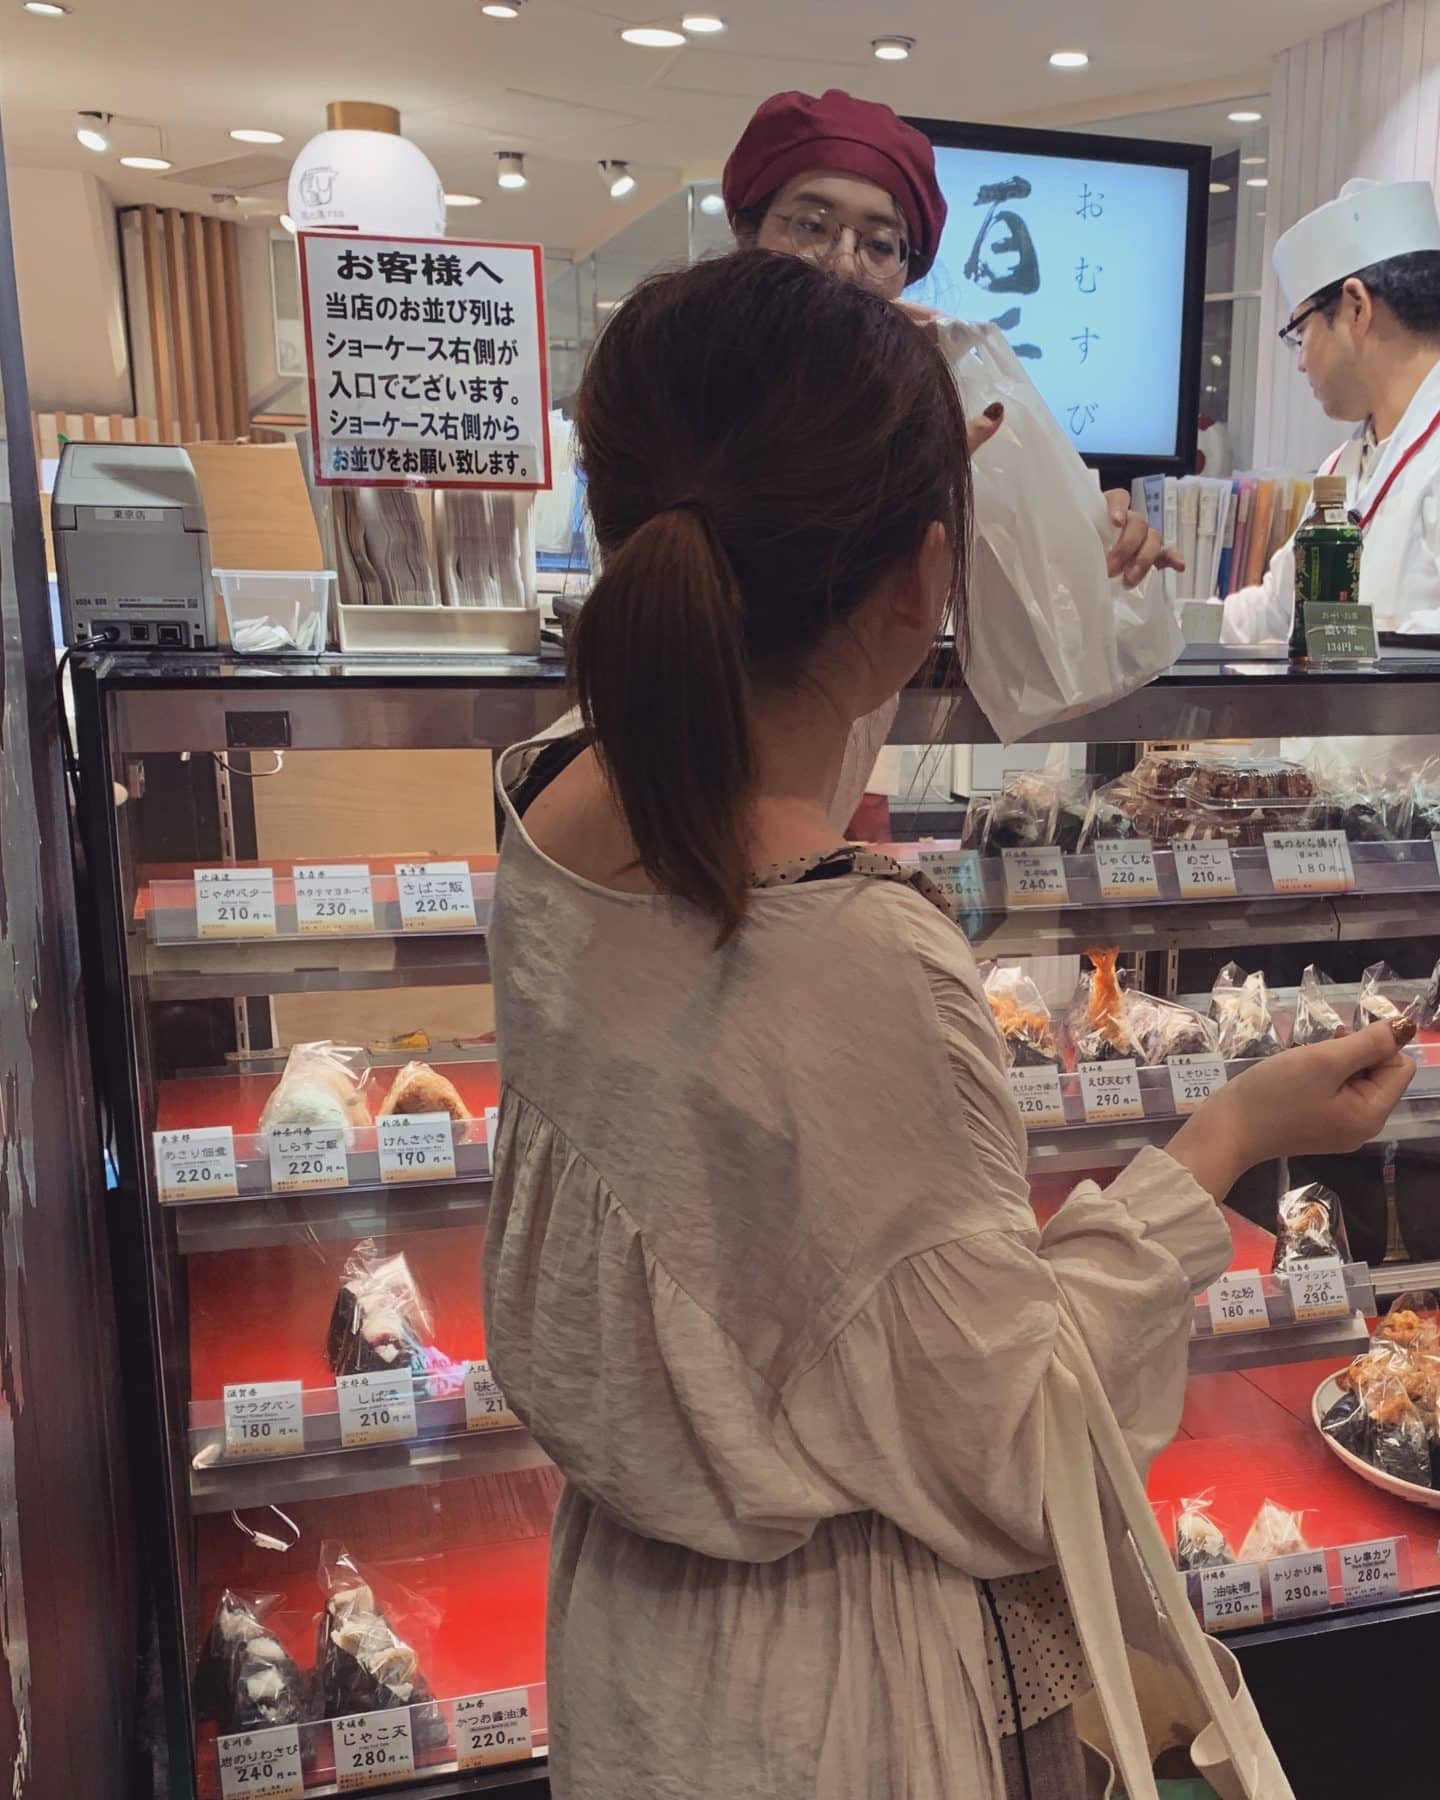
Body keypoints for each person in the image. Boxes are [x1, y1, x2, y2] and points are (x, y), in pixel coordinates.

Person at [482, 251, 1414, 1800]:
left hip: (636, 1651)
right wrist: (1232, 1132)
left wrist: (909, 514)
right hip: (831, 1699)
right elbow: (1011, 1448)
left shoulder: (552, 796)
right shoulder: (848, 958)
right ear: (923, 580)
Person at [721, 87, 1182, 831]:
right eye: (811, 225)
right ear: (745, 230)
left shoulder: (928, 407)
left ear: (906, 268)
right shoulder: (685, 375)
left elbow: (1044, 639)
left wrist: (1090, 549)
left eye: (878, 244)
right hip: (670, 772)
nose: (843, 264)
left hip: (826, 791)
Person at [1223, 177, 1440, 642]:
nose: (1300, 362)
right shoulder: (1343, 465)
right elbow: (1278, 609)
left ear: (1356, 308)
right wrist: (1161, 625)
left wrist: (1337, 642)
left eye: (1300, 334)